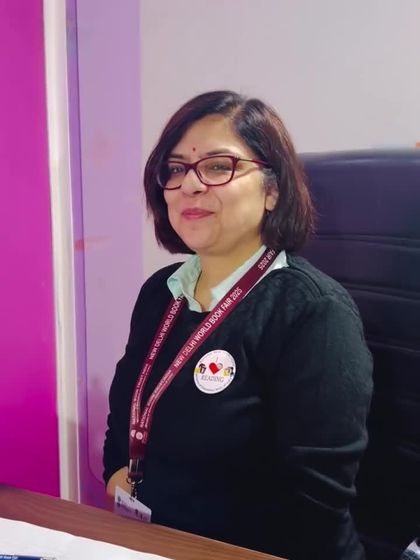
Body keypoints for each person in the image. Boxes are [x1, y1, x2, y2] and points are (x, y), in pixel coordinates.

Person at [103, 90, 373, 560]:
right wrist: (120, 482)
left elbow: (313, 507)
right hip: (157, 544)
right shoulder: (161, 292)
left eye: (217, 166)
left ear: (272, 190)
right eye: (176, 169)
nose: (190, 185)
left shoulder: (314, 312)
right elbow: (124, 419)